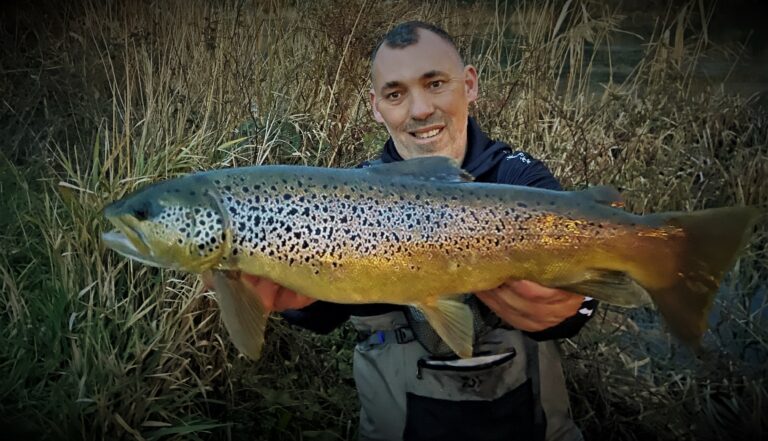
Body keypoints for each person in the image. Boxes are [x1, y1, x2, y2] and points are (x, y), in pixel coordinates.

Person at [215, 21, 596, 441]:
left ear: (469, 84)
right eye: (396, 94)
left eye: (435, 84)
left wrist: (572, 304)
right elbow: (319, 313)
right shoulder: (347, 200)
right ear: (376, 106)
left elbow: (581, 294)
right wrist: (276, 291)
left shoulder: (519, 180)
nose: (418, 110)